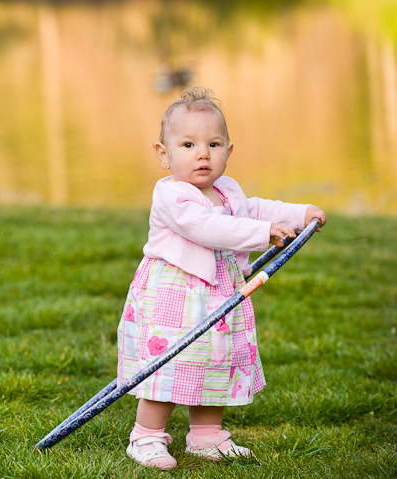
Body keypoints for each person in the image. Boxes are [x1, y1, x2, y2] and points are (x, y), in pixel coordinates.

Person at [116, 86, 326, 470]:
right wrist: (262, 234)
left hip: (218, 294)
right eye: (188, 145)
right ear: (164, 155)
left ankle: (207, 436)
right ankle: (145, 437)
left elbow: (256, 208)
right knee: (171, 363)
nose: (202, 154)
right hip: (175, 296)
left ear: (228, 151)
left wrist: (299, 213)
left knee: (214, 361)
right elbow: (207, 228)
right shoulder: (173, 197)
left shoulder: (227, 190)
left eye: (214, 144)